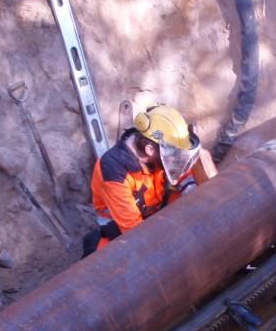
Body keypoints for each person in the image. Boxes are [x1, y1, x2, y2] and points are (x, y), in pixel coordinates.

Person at [84, 105, 201, 255]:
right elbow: (134, 231)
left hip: (154, 210)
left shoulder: (158, 150)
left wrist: (197, 202)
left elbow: (183, 174)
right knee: (110, 261)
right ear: (150, 150)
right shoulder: (114, 172)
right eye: (174, 155)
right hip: (122, 227)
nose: (176, 160)